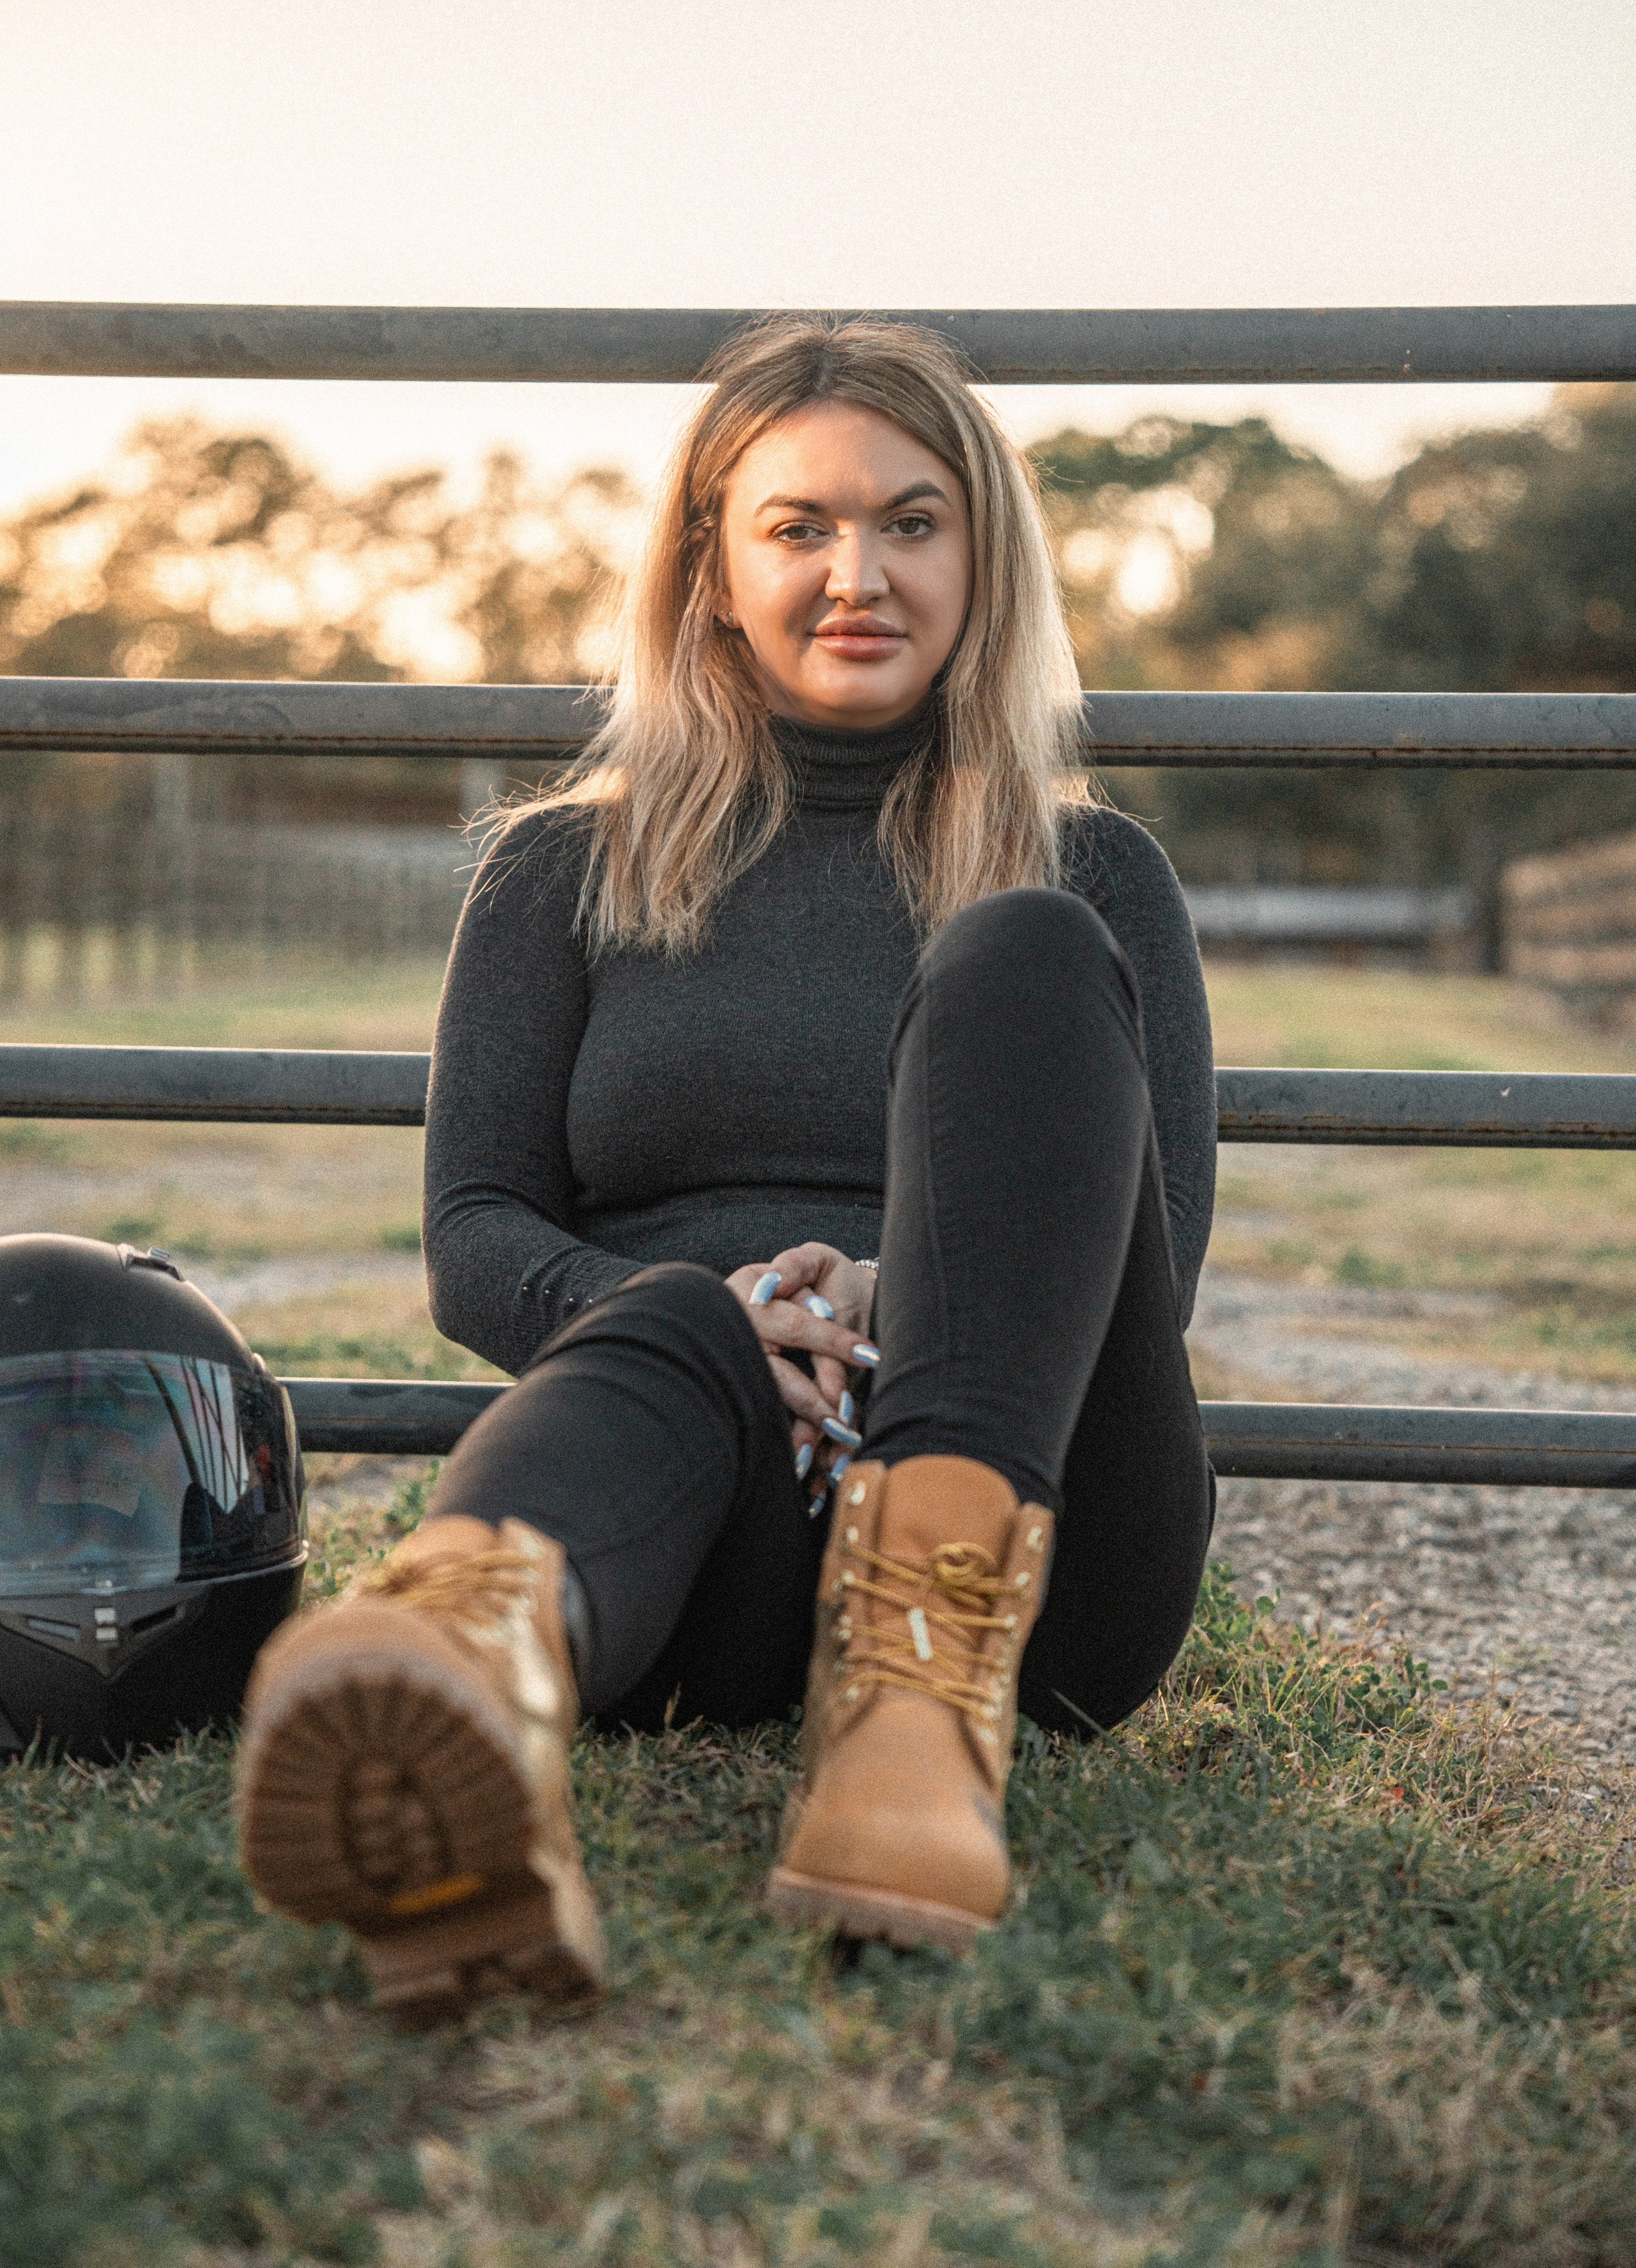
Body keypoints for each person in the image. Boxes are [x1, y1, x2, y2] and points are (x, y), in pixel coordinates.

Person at [235, 315, 1217, 2021]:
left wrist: (892, 1306)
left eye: (915, 521)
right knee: (680, 1318)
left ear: (982, 557)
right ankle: (461, 1674)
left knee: (1026, 954)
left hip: (1036, 1555)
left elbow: (1158, 1255)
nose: (863, 572)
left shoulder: (1095, 871)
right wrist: (726, 1313)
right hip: (713, 1532)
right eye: (800, 525)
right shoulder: (563, 868)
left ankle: (917, 1710)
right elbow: (475, 1239)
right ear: (711, 565)